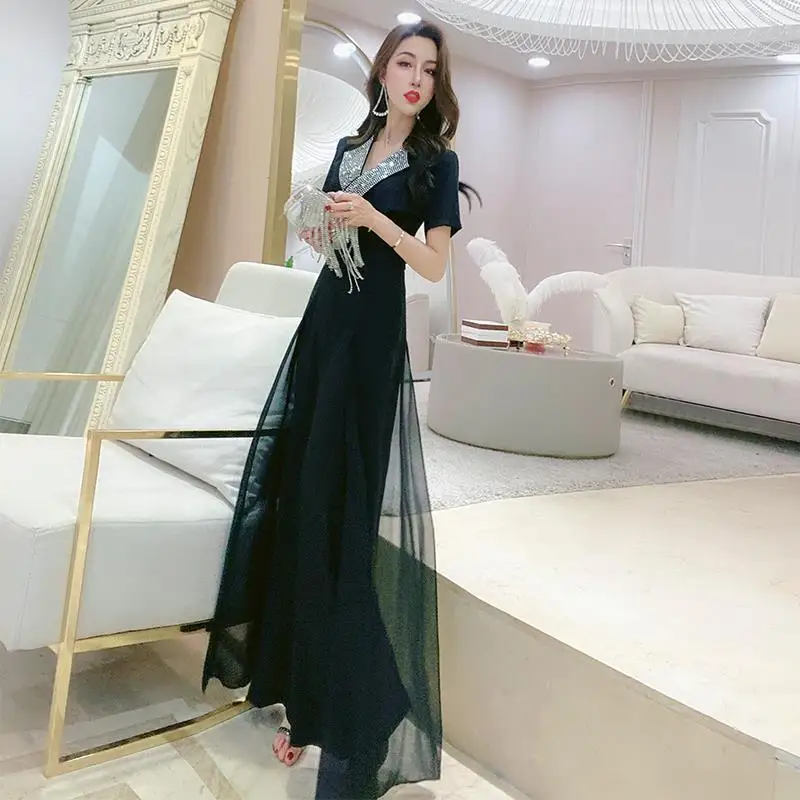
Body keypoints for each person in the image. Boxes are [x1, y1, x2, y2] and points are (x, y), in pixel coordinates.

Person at [201, 18, 479, 800]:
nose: (416, 78)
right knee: (300, 505)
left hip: (369, 344)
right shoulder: (350, 146)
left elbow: (432, 266)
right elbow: (330, 247)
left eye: (428, 68)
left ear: (436, 82)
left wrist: (376, 219)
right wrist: (318, 222)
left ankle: (364, 712)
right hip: (324, 327)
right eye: (404, 63)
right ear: (383, 72)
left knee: (344, 523)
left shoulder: (437, 160)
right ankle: (305, 701)